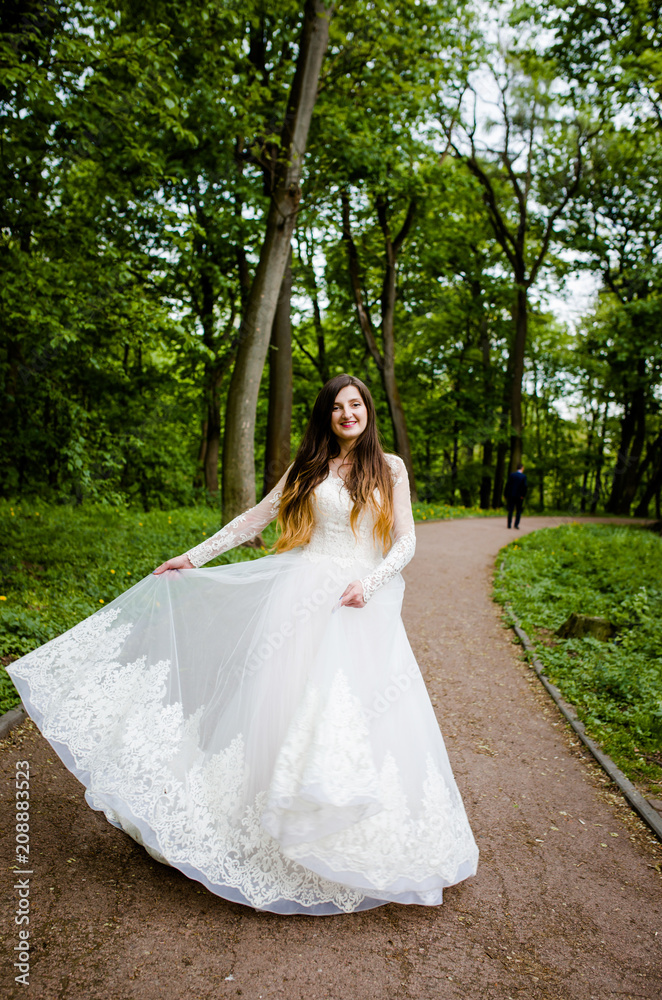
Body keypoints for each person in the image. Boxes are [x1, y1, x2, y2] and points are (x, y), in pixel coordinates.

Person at [7, 374, 478, 915]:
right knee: (282, 707)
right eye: (337, 407)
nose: (348, 414)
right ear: (325, 415)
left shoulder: (389, 467)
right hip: (301, 600)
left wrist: (369, 583)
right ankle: (269, 820)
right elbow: (255, 518)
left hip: (358, 606)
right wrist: (193, 556)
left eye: (356, 405)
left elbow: (407, 540)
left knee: (356, 719)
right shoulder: (309, 467)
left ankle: (350, 833)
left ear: (368, 410)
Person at [506, 463, 528, 529]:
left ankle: (509, 525)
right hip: (519, 497)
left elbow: (508, 485)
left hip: (511, 495)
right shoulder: (523, 476)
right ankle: (516, 525)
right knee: (518, 511)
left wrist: (506, 494)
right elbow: (525, 487)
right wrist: (523, 495)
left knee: (510, 510)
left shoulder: (512, 475)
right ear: (522, 468)